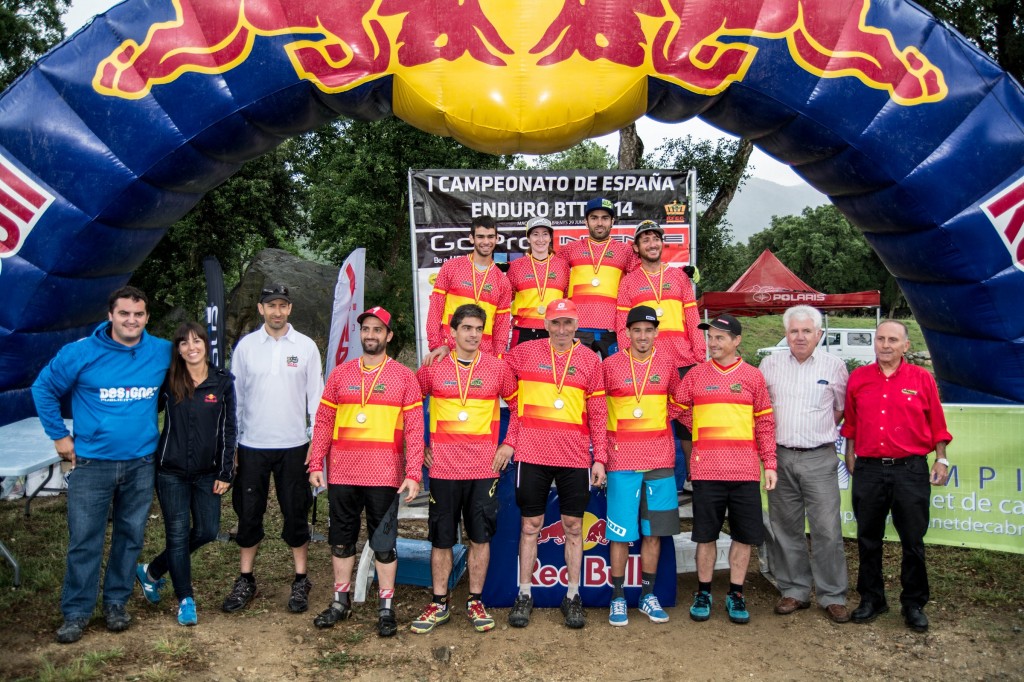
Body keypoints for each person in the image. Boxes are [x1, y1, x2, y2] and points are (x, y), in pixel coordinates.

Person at [32, 286, 172, 644]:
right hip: (92, 463)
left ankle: (115, 603)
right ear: (110, 315)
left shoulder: (160, 352)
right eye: (124, 313)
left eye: (138, 314)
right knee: (85, 540)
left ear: (147, 317)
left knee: (130, 537)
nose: (131, 320)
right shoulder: (81, 353)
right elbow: (43, 387)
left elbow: (188, 380)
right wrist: (59, 436)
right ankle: (77, 611)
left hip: (141, 462)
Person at [307, 306, 424, 637]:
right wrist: (317, 463)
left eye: (377, 330)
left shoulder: (404, 376)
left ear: (388, 336)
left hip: (385, 474)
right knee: (341, 541)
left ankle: (386, 607)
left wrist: (413, 472)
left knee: (384, 543)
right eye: (366, 329)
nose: (370, 335)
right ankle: (340, 601)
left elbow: (416, 430)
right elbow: (324, 422)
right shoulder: (341, 374)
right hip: (343, 473)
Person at [500, 298, 608, 629]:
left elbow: (600, 414)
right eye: (556, 323)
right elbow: (492, 368)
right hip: (531, 454)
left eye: (568, 323)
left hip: (574, 456)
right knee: (530, 526)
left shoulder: (591, 361)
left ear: (578, 326)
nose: (562, 330)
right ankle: (524, 593)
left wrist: (600, 458)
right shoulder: (523, 354)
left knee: (574, 527)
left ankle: (573, 596)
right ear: (545, 325)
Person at [411, 304, 517, 634]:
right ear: (453, 332)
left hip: (484, 466)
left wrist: (508, 443)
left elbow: (519, 406)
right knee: (441, 540)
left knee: (480, 537)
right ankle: (439, 603)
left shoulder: (497, 368)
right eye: (466, 328)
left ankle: (475, 601)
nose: (473, 334)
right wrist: (420, 449)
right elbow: (410, 407)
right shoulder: (433, 367)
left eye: (477, 329)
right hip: (442, 467)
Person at [842, 320, 952, 633]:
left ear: (905, 346)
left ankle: (913, 603)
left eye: (893, 340)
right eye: (880, 339)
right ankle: (872, 599)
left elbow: (937, 424)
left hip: (910, 470)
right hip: (869, 470)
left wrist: (941, 459)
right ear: (874, 343)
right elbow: (850, 423)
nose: (886, 345)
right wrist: (850, 453)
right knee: (867, 539)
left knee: (913, 541)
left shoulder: (921, 379)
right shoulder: (859, 378)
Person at [223, 284, 323, 615]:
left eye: (283, 305)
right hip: (252, 445)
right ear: (261, 308)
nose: (277, 311)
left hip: (295, 447)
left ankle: (300, 579)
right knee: (248, 513)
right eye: (271, 305)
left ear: (290, 309)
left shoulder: (306, 347)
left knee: (296, 513)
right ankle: (246, 579)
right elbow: (234, 399)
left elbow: (317, 400)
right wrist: (232, 444)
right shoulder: (246, 347)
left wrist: (316, 443)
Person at [674, 313, 776, 625]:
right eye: (710, 337)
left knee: (744, 538)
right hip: (707, 471)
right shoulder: (695, 375)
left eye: (720, 337)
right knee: (704, 536)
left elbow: (765, 422)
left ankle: (735, 592)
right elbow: (676, 408)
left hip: (744, 471)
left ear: (736, 341)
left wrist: (769, 463)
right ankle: (703, 591)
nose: (713, 342)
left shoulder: (753, 376)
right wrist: (702, 427)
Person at [135, 322, 236, 626]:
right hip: (171, 472)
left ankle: (151, 571)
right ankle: (185, 599)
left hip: (208, 474)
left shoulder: (222, 381)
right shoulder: (169, 380)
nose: (191, 347)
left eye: (197, 341)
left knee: (206, 530)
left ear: (206, 344)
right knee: (177, 534)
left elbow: (229, 429)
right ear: (177, 349)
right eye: (183, 343)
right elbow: (143, 414)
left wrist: (225, 470)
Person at [759, 306, 850, 623]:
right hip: (780, 457)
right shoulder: (769, 365)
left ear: (819, 334)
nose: (800, 336)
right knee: (786, 529)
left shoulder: (835, 366)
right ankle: (794, 590)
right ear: (786, 333)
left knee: (827, 529)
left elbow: (839, 408)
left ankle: (832, 595)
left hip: (819, 457)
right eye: (794, 331)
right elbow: (762, 410)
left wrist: (815, 432)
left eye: (806, 331)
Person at [602, 306, 681, 627]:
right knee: (620, 534)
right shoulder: (610, 366)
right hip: (621, 461)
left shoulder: (667, 365)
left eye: (648, 330)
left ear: (656, 333)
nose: (643, 336)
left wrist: (657, 425)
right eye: (637, 330)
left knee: (653, 534)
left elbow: (677, 402)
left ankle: (648, 595)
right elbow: (596, 408)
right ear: (627, 333)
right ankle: (618, 597)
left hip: (660, 461)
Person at [615, 218, 705, 462]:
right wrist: (629, 359)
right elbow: (622, 327)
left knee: (689, 420)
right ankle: (648, 467)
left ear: (662, 244)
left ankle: (691, 474)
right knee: (650, 416)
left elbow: (693, 319)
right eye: (645, 240)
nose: (652, 244)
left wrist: (700, 357)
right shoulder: (628, 282)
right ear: (636, 248)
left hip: (683, 360)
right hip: (648, 363)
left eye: (656, 239)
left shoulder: (679, 277)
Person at [423, 215, 512, 363]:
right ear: (472, 238)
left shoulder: (502, 281)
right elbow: (435, 309)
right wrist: (436, 345)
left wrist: (497, 359)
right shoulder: (451, 267)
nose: (486, 242)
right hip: (449, 351)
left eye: (490, 237)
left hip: (484, 356)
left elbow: (502, 327)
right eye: (480, 237)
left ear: (497, 239)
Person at [558, 197, 640, 357]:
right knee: (577, 379)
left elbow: (646, 275)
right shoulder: (570, 249)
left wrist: (681, 271)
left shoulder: (626, 251)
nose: (600, 223)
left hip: (612, 329)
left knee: (613, 379)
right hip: (578, 328)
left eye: (605, 218)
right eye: (594, 218)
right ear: (586, 222)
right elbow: (549, 273)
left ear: (612, 221)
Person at [506, 217, 569, 347]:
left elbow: (566, 298)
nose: (540, 239)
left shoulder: (562, 266)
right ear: (528, 238)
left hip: (553, 330)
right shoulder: (516, 266)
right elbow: (506, 298)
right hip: (523, 330)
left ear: (551, 238)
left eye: (545, 234)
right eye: (535, 234)